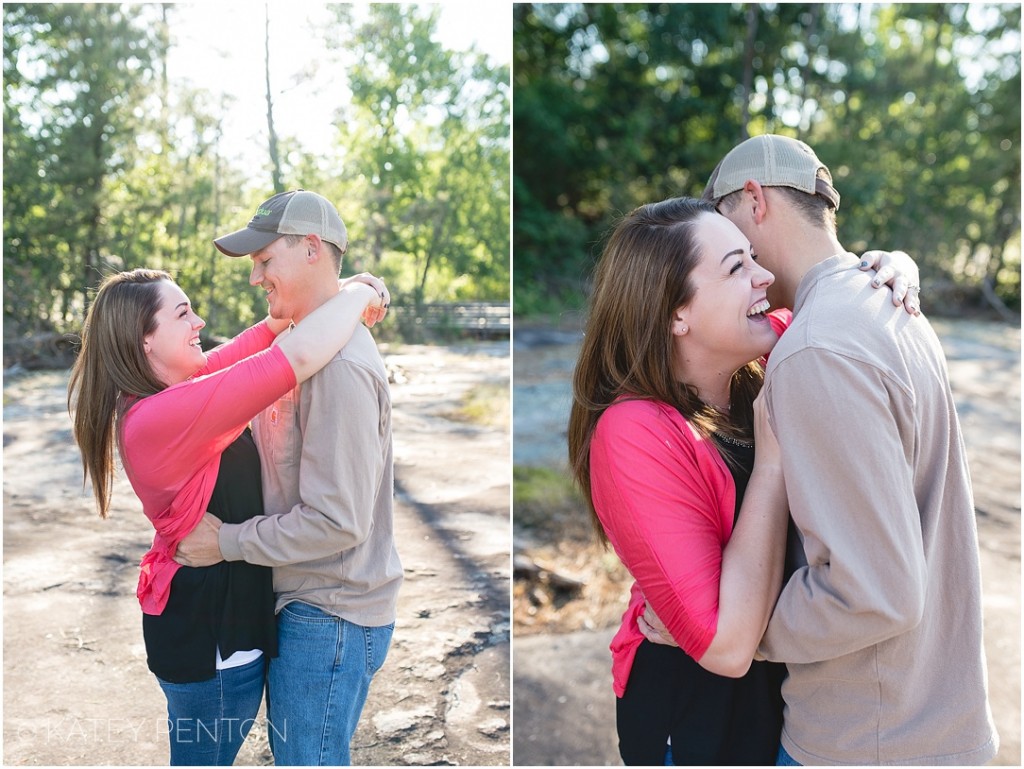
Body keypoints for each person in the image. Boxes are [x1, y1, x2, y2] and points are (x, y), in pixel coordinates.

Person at [566, 196, 916, 765]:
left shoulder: (761, 355)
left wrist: (892, 267)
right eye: (736, 268)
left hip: (777, 695)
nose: (766, 277)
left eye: (753, 255)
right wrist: (774, 461)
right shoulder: (632, 431)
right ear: (675, 312)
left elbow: (839, 305)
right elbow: (726, 647)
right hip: (693, 711)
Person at [700, 133, 999, 765]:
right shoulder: (891, 303)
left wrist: (737, 632)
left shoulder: (814, 349)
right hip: (932, 729)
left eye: (723, 226)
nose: (728, 254)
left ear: (754, 200)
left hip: (865, 740)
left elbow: (873, 591)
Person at [67, 266, 388, 765]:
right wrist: (363, 292)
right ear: (144, 342)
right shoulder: (158, 417)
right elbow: (295, 357)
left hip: (222, 625)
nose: (198, 321)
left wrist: (334, 291)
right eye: (182, 313)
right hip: (212, 640)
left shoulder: (174, 391)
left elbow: (262, 337)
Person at [174, 189, 403, 766]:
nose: (255, 278)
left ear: (309, 249)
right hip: (304, 603)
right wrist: (359, 289)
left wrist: (224, 543)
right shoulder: (300, 342)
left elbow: (336, 520)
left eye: (263, 260)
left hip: (331, 612)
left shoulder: (341, 367)